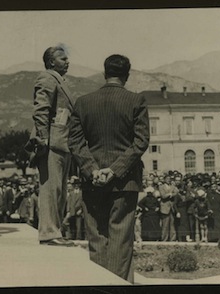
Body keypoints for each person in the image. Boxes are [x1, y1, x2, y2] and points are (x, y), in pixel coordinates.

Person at [67, 54, 149, 283]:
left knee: (96, 240)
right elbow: (140, 142)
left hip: (91, 182)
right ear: (127, 75)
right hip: (125, 181)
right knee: (121, 242)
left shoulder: (83, 102)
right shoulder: (136, 101)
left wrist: (93, 169)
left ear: (105, 73)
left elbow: (74, 142)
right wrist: (114, 170)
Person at [34, 45, 76, 246]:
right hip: (51, 142)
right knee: (51, 189)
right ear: (51, 62)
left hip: (62, 141)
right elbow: (41, 109)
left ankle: (55, 231)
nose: (67, 61)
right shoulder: (47, 78)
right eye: (63, 58)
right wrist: (42, 138)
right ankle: (49, 233)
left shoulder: (60, 80)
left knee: (59, 189)